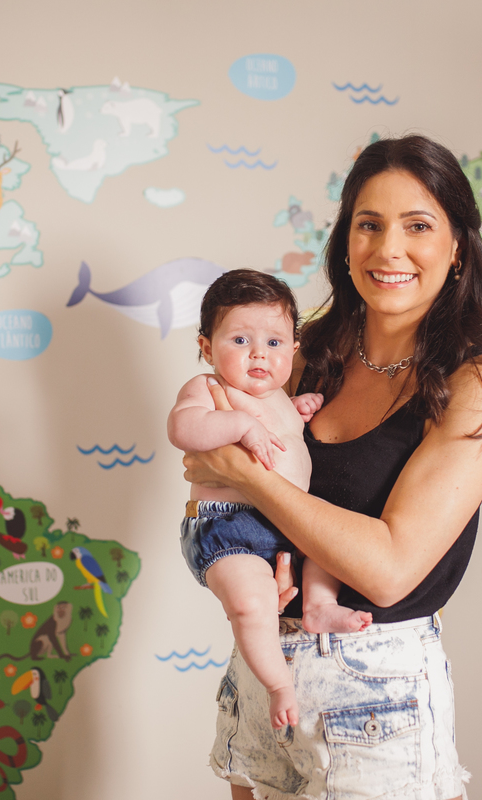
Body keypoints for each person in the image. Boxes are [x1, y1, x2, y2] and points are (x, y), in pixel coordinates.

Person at [182, 134, 482, 800]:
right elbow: (206, 478)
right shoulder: (305, 353)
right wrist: (248, 576)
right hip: (267, 670)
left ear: (456, 249)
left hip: (377, 689)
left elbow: (389, 568)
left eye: (417, 226)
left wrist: (252, 478)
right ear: (345, 242)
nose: (389, 249)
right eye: (369, 225)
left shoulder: (476, 380)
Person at [168, 269, 375, 730]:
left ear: (294, 350)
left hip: (288, 521)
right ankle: (279, 684)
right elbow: (183, 428)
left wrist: (297, 414)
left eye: (274, 343)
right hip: (228, 527)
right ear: (206, 348)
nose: (259, 352)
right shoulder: (208, 389)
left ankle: (320, 606)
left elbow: (285, 439)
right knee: (251, 603)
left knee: (326, 546)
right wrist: (239, 426)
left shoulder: (283, 395)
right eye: (240, 340)